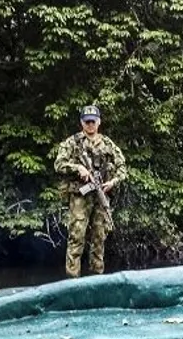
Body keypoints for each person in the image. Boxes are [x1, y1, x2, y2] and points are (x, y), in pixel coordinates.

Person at [53, 105, 128, 277]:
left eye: (93, 121)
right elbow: (58, 164)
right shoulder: (72, 142)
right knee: (76, 237)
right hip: (80, 195)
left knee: (99, 238)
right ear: (81, 123)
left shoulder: (108, 144)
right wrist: (77, 167)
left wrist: (113, 181)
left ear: (99, 122)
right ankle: (72, 279)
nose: (90, 125)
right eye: (87, 122)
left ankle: (97, 278)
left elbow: (122, 167)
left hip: (100, 194)